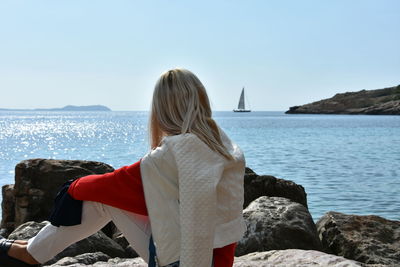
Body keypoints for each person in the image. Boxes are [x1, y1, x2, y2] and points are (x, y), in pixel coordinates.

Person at [0, 68, 246, 267]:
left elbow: (116, 184)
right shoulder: (224, 147)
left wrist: (72, 188)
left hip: (186, 261)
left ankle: (29, 253)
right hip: (219, 260)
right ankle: (29, 248)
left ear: (162, 108)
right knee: (103, 194)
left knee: (100, 198)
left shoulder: (173, 153)